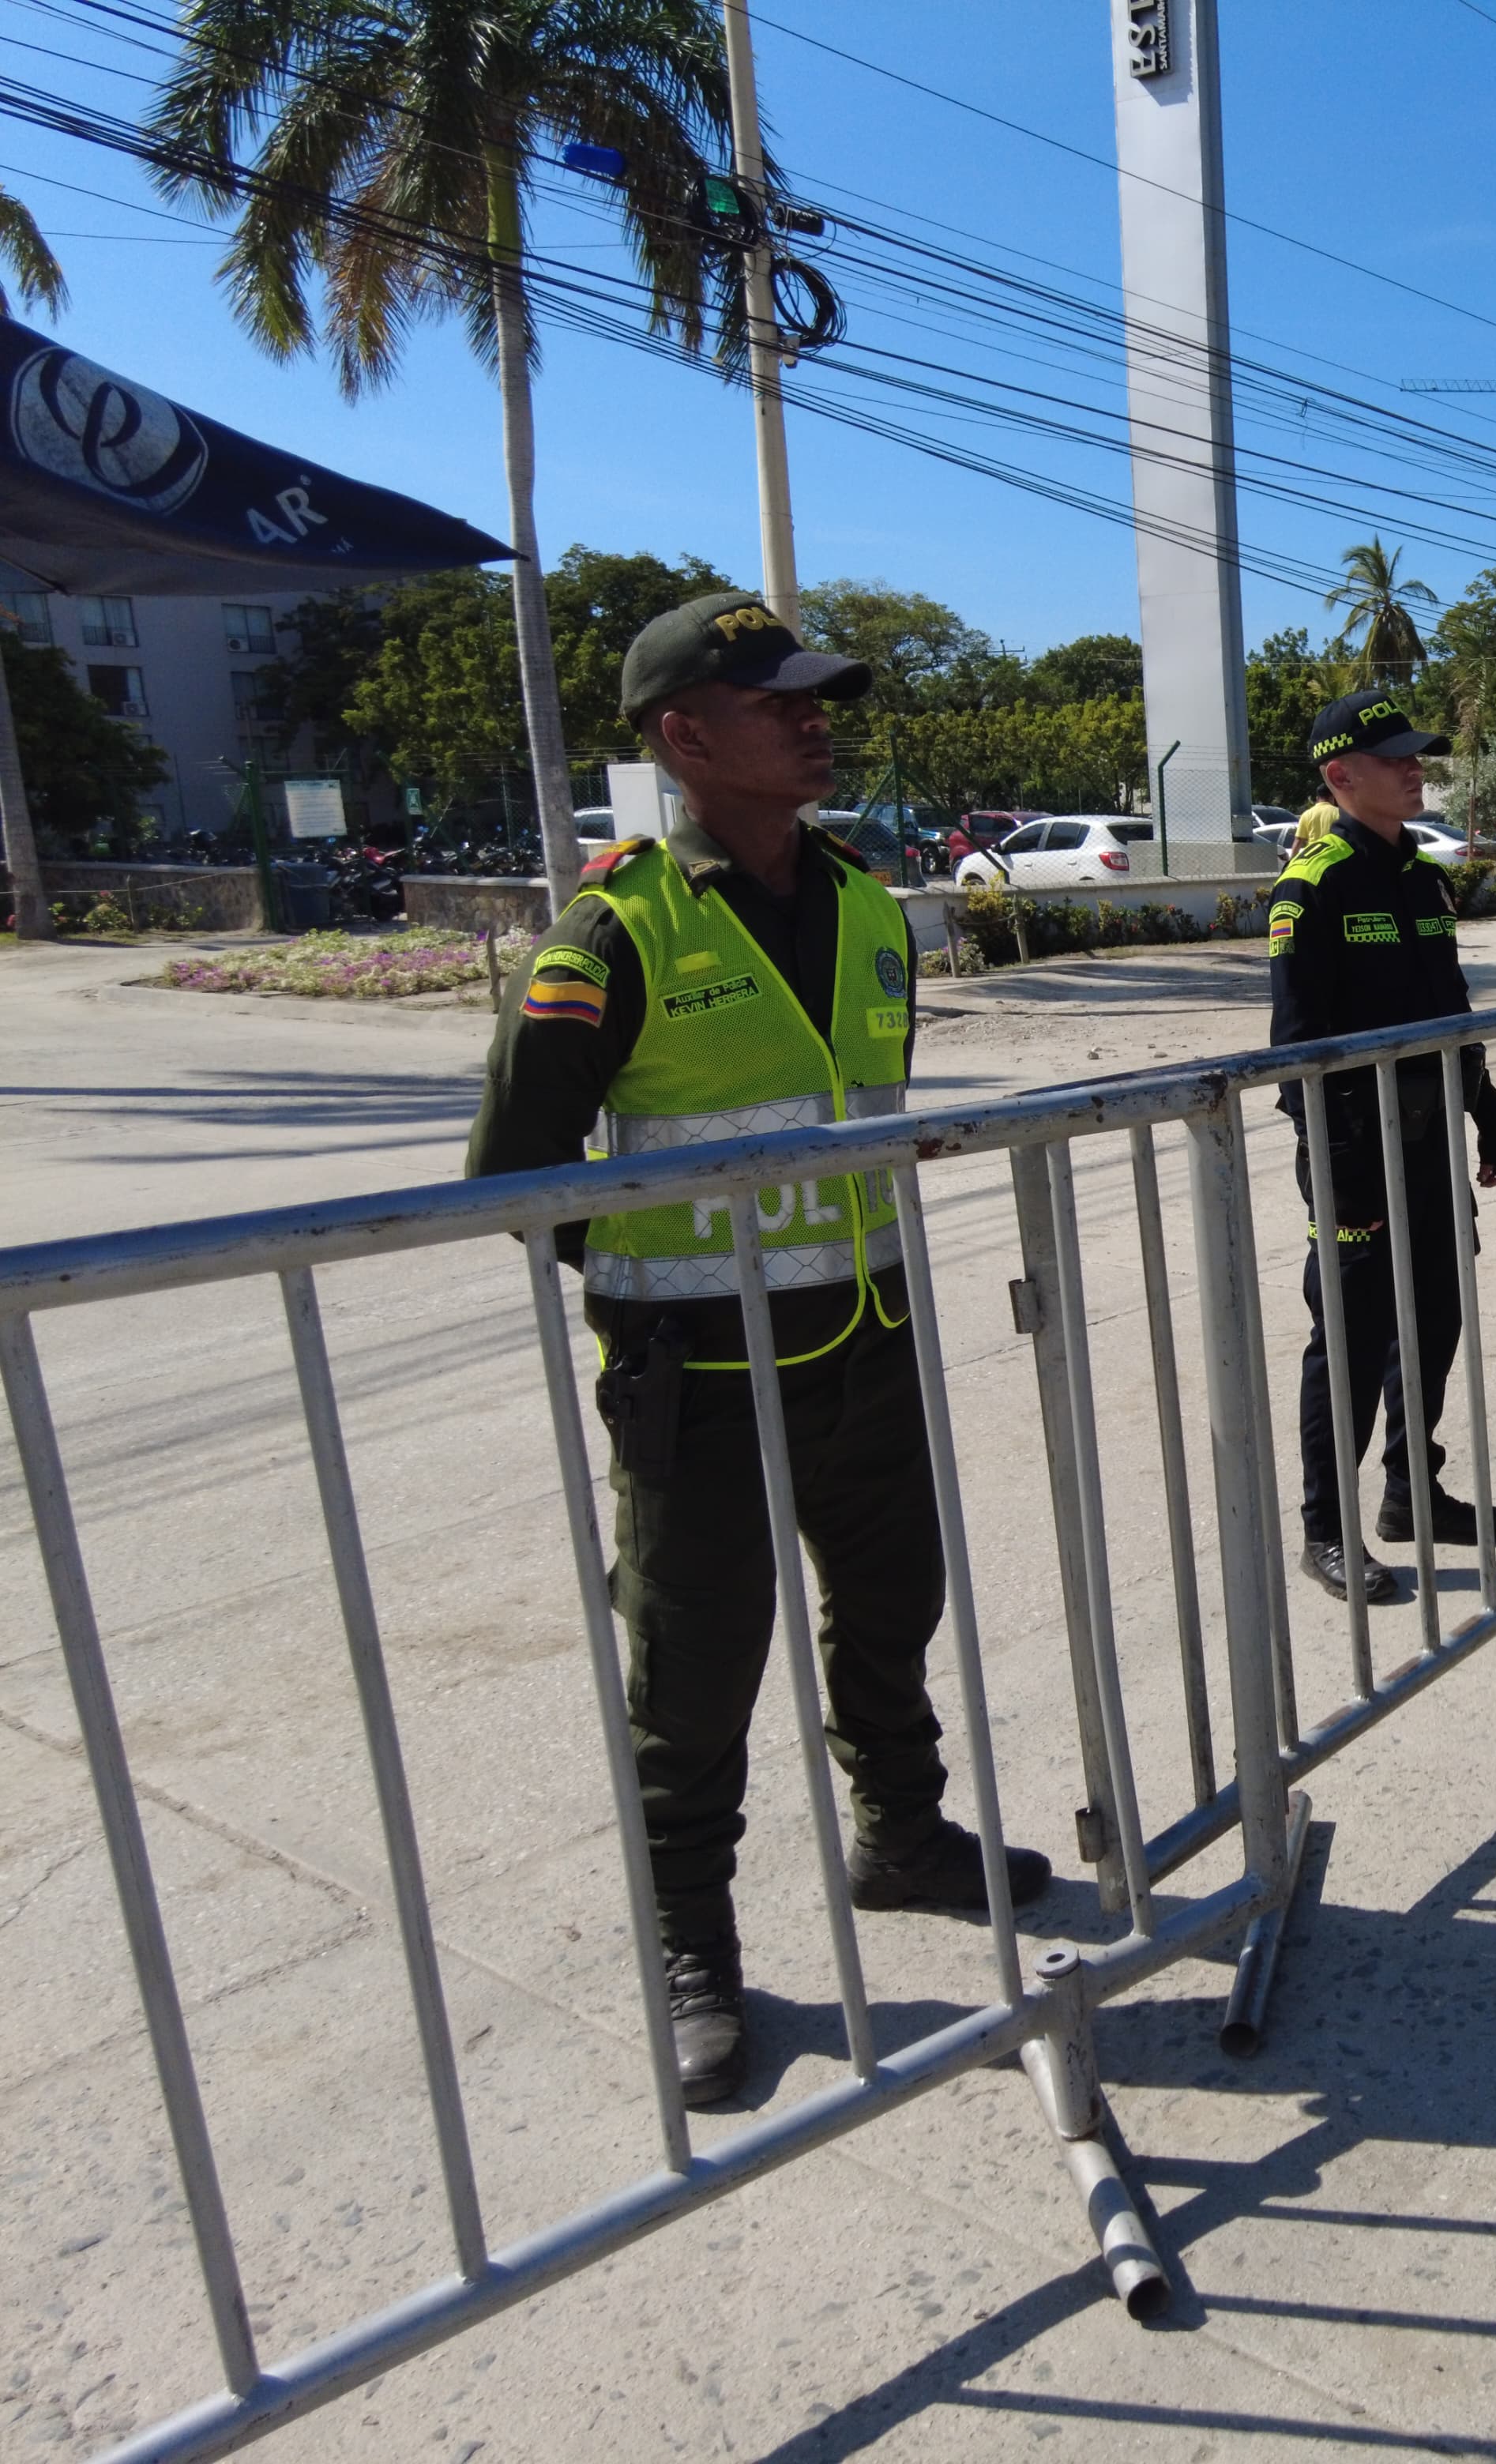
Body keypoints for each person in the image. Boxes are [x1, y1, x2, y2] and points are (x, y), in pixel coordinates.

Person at [464, 591, 1051, 2109]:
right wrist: (657, 1293)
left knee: (891, 1612)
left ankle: (902, 1837)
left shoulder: (867, 905)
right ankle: (695, 1951)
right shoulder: (614, 928)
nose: (813, 715)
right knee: (695, 1670)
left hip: (865, 1340)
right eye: (777, 699)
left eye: (816, 694)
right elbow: (516, 1178)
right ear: (681, 738)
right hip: (701, 1380)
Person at [1267, 689, 1496, 1603]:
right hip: (1351, 1147)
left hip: (1426, 1138)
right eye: (1397, 757)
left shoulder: (1419, 875)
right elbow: (1295, 1040)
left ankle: (1412, 1492)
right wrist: (1335, 1169)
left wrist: (1484, 1107)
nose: (1417, 768)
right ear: (1342, 776)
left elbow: (1447, 1008)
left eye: (1418, 755)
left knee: (1435, 1318)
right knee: (1349, 1337)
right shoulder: (1315, 883)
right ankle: (1325, 1530)